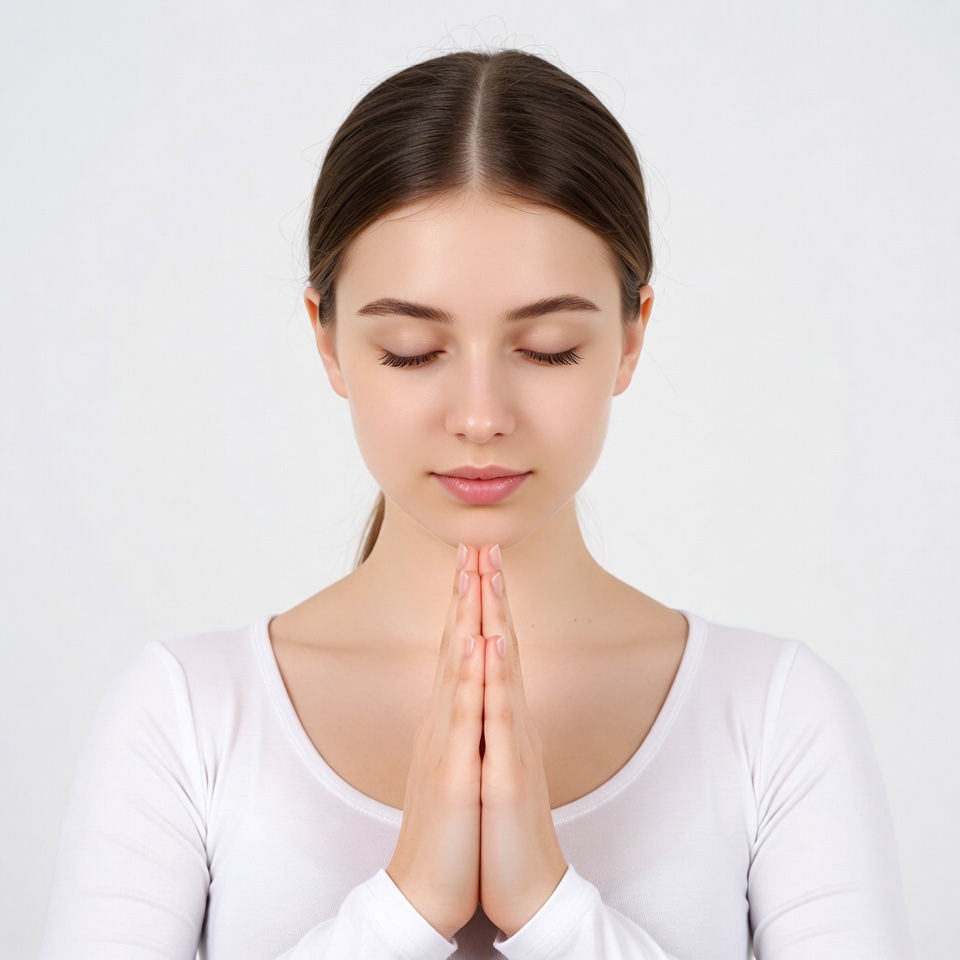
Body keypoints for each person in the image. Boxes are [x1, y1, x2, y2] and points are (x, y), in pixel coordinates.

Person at [40, 48, 914, 959]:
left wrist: (550, 909)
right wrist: (406, 907)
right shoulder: (184, 717)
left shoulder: (774, 717)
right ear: (328, 342)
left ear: (631, 337)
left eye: (546, 349)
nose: (482, 417)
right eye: (413, 350)